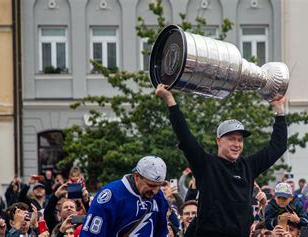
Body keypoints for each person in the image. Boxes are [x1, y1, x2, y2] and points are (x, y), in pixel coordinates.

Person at [156, 84, 288, 237]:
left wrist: (279, 109)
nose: (237, 144)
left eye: (240, 140)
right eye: (231, 139)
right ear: (219, 141)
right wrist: (170, 100)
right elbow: (185, 137)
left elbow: (278, 146)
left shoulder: (249, 166)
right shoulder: (206, 165)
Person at [80, 156, 169, 236]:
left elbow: (161, 231)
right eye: (151, 185)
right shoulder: (112, 196)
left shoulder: (159, 198)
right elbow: (91, 234)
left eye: (159, 185)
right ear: (137, 176)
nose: (156, 191)